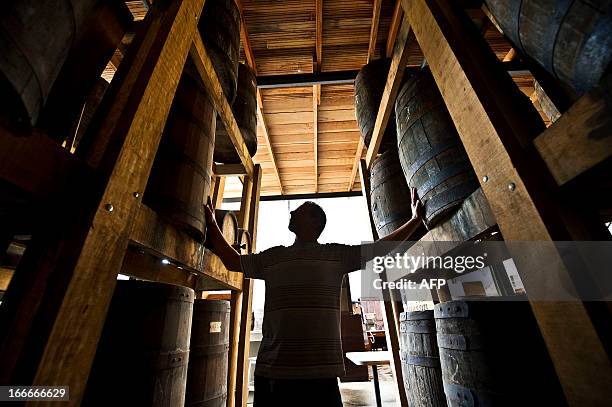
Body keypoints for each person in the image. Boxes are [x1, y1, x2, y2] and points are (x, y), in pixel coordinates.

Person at [204, 188, 424, 406]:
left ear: (315, 222)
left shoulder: (336, 255)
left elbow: (379, 250)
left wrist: (415, 220)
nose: (291, 214)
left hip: (320, 374)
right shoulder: (273, 257)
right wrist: (213, 224)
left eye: (298, 211)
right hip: (274, 372)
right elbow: (233, 261)